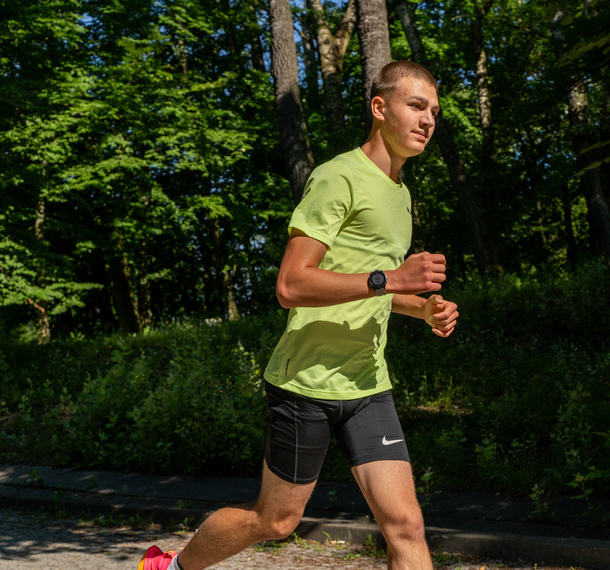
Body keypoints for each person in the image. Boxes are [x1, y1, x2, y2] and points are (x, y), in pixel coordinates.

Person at [139, 60, 459, 570]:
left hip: (367, 385)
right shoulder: (338, 176)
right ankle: (170, 566)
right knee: (277, 520)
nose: (428, 121)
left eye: (434, 112)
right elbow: (291, 285)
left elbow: (363, 285)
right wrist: (390, 278)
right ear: (380, 108)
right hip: (305, 385)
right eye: (416, 106)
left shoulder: (400, 194)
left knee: (406, 526)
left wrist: (421, 308)